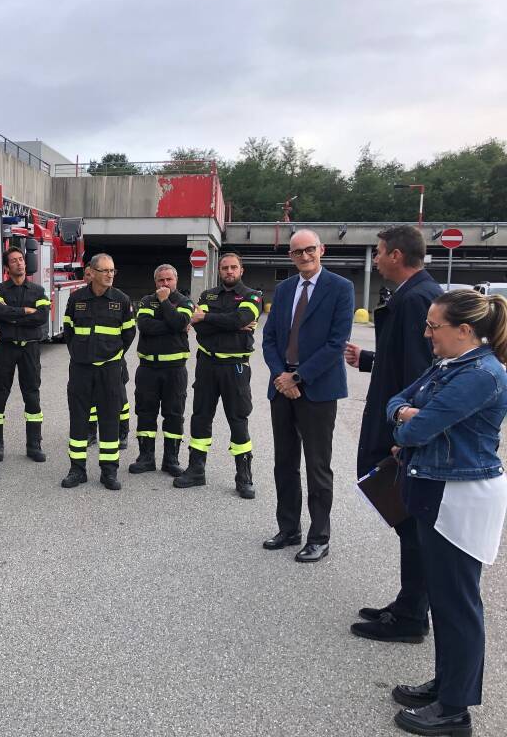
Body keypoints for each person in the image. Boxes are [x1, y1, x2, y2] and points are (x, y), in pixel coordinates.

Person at [385, 289, 507, 737]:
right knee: (444, 598)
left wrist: (409, 419)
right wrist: (407, 414)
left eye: (434, 327)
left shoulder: (481, 375)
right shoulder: (451, 366)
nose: (427, 333)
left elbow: (417, 426)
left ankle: (455, 709)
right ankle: (446, 683)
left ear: (465, 331)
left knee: (458, 604)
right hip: (439, 491)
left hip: (462, 498)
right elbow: (398, 401)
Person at [346, 225, 442, 643]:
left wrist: (404, 434)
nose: (377, 259)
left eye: (380, 252)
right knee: (404, 517)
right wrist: (370, 359)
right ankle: (408, 604)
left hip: (400, 428)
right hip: (395, 418)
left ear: (398, 255)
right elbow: (403, 359)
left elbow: (424, 373)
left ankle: (412, 617)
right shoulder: (411, 296)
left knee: (410, 519)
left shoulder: (418, 298)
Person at [261, 230, 354, 563]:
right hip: (282, 387)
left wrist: (298, 377)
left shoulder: (341, 288)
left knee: (317, 466)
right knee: (284, 463)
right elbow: (269, 339)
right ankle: (289, 529)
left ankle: (319, 536)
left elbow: (336, 343)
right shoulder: (284, 290)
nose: (304, 256)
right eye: (297, 252)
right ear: (290, 256)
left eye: (309, 249)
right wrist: (281, 377)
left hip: (317, 389)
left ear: (321, 250)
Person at [175, 253, 262, 498]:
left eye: (234, 267)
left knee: (238, 419)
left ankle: (244, 476)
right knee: (201, 416)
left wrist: (208, 318)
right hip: (207, 366)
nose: (229, 271)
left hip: (235, 367)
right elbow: (199, 327)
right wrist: (226, 323)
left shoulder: (251, 296)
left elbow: (241, 318)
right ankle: (196, 470)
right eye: (225, 268)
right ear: (219, 271)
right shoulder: (207, 295)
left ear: (241, 270)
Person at [61, 253, 135, 491]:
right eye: (105, 270)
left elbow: (128, 334)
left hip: (110, 370)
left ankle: (109, 472)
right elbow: (69, 331)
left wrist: (110, 356)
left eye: (112, 270)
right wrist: (80, 355)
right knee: (78, 419)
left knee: (110, 421)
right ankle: (77, 470)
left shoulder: (122, 300)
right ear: (91, 272)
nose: (110, 274)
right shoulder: (76, 299)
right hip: (81, 369)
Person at [128, 264, 194, 476]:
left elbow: (180, 322)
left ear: (176, 281)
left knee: (174, 414)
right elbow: (145, 326)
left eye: (168, 280)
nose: (164, 284)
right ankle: (146, 457)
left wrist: (165, 302)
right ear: (155, 282)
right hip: (148, 368)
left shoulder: (185, 301)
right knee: (145, 413)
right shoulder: (147, 300)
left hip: (174, 370)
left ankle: (171, 459)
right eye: (160, 280)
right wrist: (172, 325)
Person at [0, 246, 51, 463]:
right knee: (0, 394)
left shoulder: (37, 290)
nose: (19, 263)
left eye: (21, 259)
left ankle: (34, 445)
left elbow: (42, 317)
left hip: (30, 349)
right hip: (6, 347)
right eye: (14, 260)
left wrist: (12, 316)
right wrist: (25, 311)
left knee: (32, 395)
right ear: (7, 267)